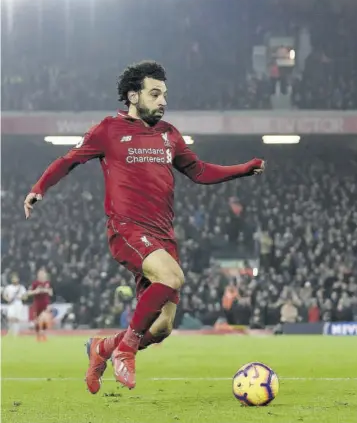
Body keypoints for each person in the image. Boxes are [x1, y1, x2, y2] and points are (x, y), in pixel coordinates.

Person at [23, 61, 265, 392]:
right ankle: (125, 350)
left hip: (163, 236)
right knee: (172, 277)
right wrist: (39, 188)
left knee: (164, 326)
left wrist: (242, 169)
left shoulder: (169, 135)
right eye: (155, 93)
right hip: (128, 229)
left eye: (164, 94)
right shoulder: (108, 130)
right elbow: (69, 160)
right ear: (133, 96)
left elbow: (200, 171)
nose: (163, 100)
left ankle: (103, 348)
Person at [28, 267, 53, 341]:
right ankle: (38, 335)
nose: (42, 275)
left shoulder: (47, 283)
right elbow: (29, 292)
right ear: (38, 275)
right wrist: (36, 291)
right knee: (37, 320)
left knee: (44, 319)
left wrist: (47, 291)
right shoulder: (35, 283)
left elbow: (51, 293)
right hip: (37, 304)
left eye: (43, 274)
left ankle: (44, 334)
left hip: (45, 304)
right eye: (40, 274)